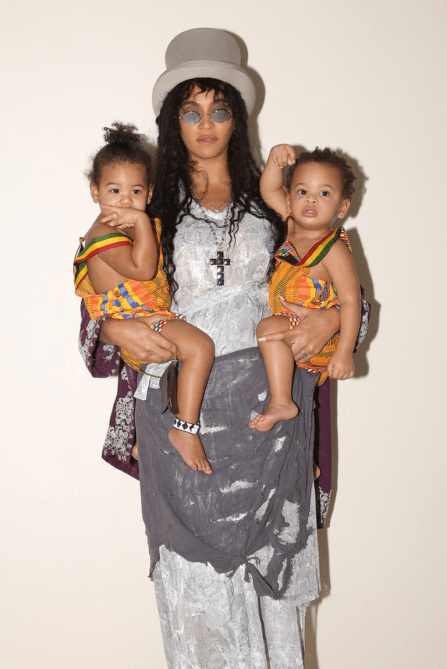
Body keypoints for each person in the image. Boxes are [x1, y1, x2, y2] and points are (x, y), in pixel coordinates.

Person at [78, 28, 369, 668]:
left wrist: (330, 321)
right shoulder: (146, 202)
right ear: (172, 120)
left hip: (270, 416)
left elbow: (341, 286)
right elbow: (101, 290)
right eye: (191, 111)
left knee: (273, 600)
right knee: (196, 595)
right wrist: (113, 329)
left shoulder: (279, 201)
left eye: (219, 109)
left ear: (238, 117)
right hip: (184, 416)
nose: (206, 124)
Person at [74, 122, 214, 473]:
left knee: (178, 370)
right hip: (136, 322)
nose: (125, 200)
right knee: (200, 349)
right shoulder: (102, 234)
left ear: (149, 192)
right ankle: (185, 429)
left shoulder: (137, 229)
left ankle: (142, 441)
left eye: (135, 191)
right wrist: (140, 221)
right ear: (95, 191)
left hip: (145, 316)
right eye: (115, 190)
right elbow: (143, 269)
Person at [249, 144, 361, 433]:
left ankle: (281, 402)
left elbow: (351, 301)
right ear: (289, 201)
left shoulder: (332, 249)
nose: (311, 198)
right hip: (292, 334)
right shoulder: (290, 229)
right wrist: (275, 162)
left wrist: (344, 352)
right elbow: (269, 190)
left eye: (324, 193)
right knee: (268, 333)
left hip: (318, 340)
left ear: (342, 207)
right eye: (302, 191)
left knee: (267, 330)